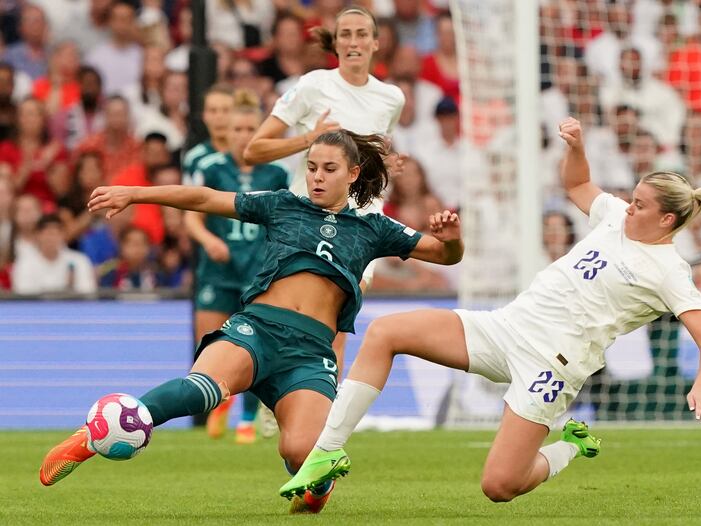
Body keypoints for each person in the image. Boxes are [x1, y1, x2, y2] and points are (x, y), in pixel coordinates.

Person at [279, 117, 701, 503]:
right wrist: (578, 147)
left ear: (667, 218)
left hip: (551, 367)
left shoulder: (670, 270)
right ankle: (328, 450)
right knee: (386, 332)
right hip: (505, 328)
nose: (627, 206)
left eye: (640, 204)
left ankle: (572, 447)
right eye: (631, 198)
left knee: (499, 486)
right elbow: (577, 185)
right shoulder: (613, 218)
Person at [38, 130, 463, 516]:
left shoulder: (374, 228)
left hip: (310, 355)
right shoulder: (282, 205)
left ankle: (317, 483)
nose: (317, 177)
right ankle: (99, 433)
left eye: (329, 169)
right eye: (311, 167)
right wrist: (135, 193)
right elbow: (205, 199)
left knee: (301, 453)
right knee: (201, 388)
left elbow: (445, 256)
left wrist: (452, 238)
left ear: (352, 174)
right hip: (257, 329)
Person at [243, 4, 404, 414]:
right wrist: (308, 139)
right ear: (335, 43)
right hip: (305, 221)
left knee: (337, 319)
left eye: (360, 34)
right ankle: (286, 394)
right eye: (345, 34)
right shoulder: (313, 86)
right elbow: (254, 149)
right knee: (306, 319)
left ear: (375, 43)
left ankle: (322, 414)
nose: (353, 42)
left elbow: (373, 160)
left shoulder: (391, 98)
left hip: (361, 223)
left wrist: (386, 166)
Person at [183, 87, 288, 444]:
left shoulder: (274, 174)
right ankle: (220, 400)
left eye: (250, 130)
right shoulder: (210, 168)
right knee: (208, 345)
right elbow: (192, 210)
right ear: (226, 132)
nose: (243, 136)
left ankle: (246, 418)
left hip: (257, 270)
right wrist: (208, 239)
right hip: (218, 270)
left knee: (254, 346)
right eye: (237, 130)